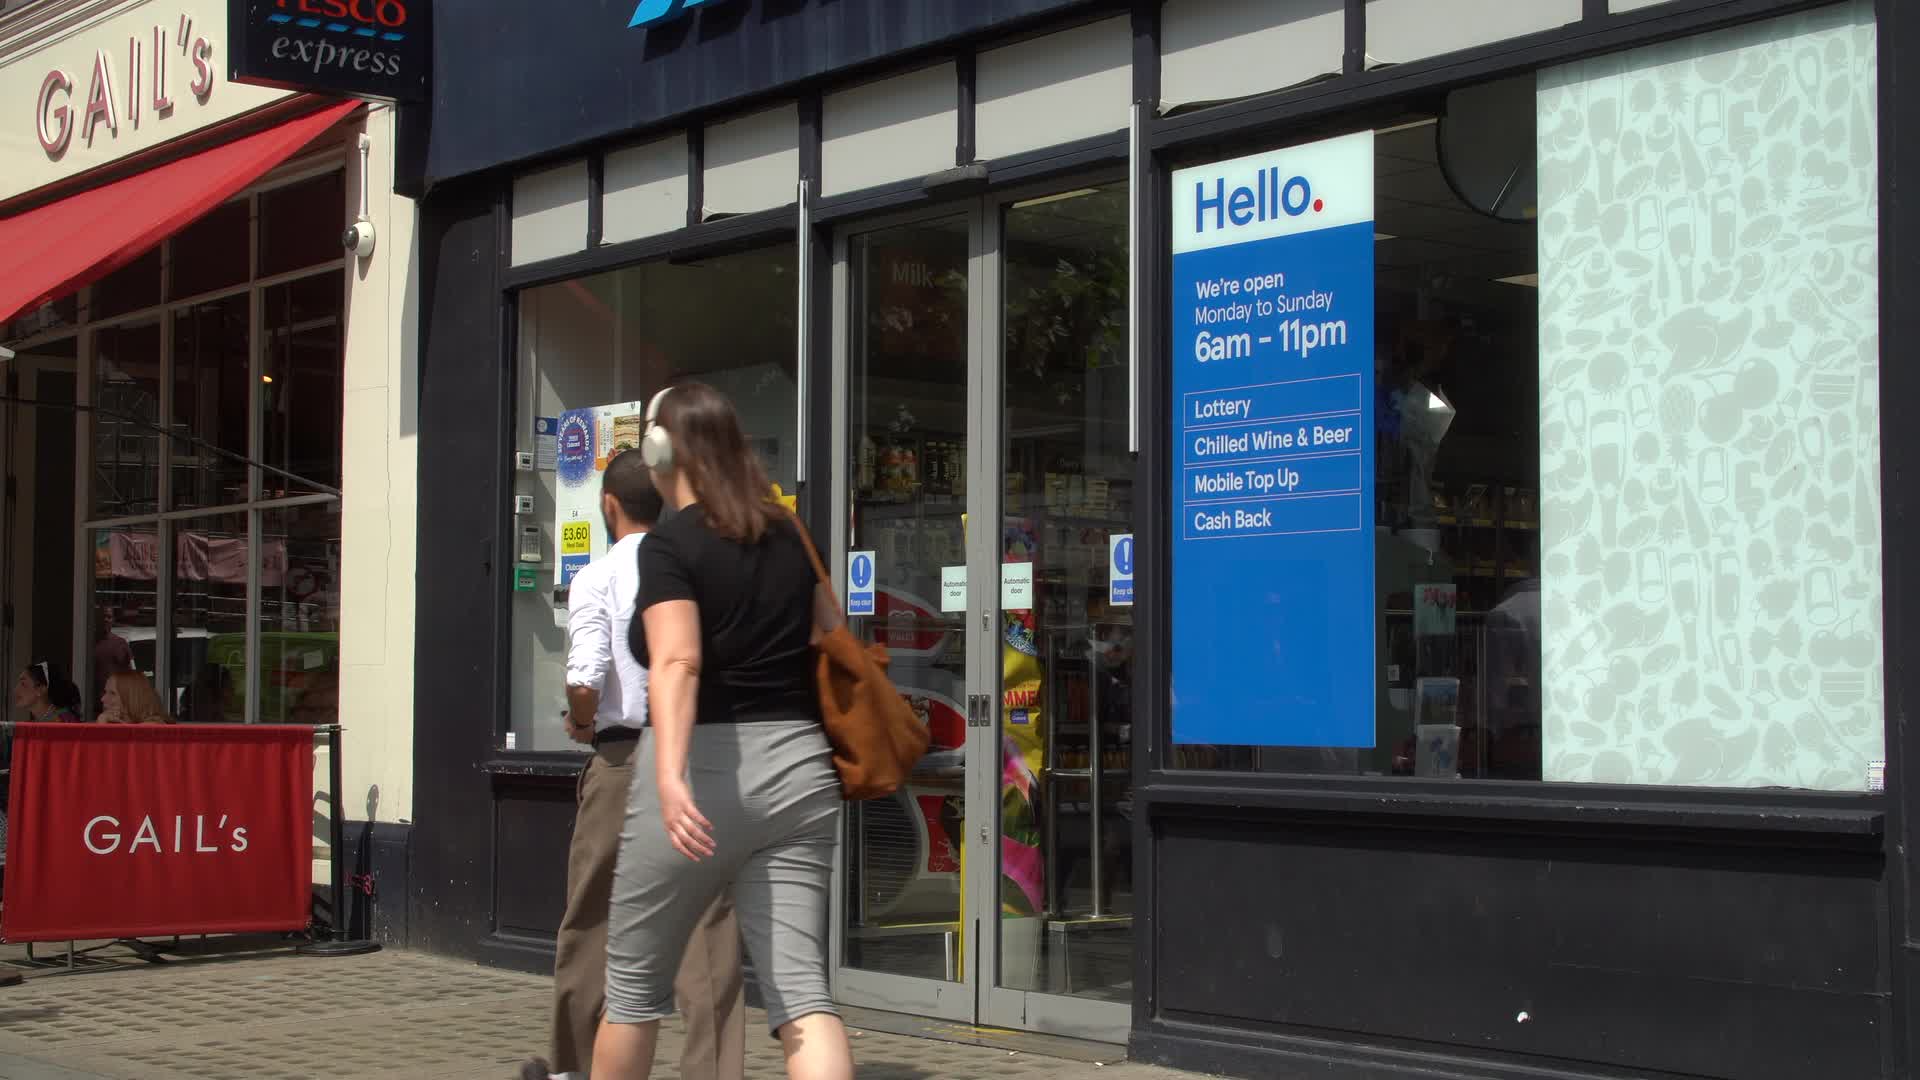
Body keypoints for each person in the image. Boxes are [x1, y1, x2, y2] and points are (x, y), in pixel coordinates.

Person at [593, 383, 852, 1080]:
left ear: (658, 448)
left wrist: (672, 776)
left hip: (701, 770)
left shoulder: (669, 545)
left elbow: (677, 660)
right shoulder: (789, 531)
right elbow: (831, 631)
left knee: (632, 992)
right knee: (803, 995)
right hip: (801, 770)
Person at [522, 450, 745, 1080]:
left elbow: (585, 678)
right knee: (707, 925)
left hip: (622, 759)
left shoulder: (598, 577)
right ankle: (713, 1072)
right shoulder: (695, 572)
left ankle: (576, 1067)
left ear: (609, 507)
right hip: (699, 758)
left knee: (595, 915)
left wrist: (582, 721)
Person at [12, 661, 83, 724]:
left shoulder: (62, 723)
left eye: (23, 684)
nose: (16, 689)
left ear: (41, 689)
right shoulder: (36, 724)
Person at [99, 670, 172, 725]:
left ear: (133, 698)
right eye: (105, 692)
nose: (102, 699)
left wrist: (101, 726)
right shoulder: (117, 723)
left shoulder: (153, 726)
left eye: (112, 693)